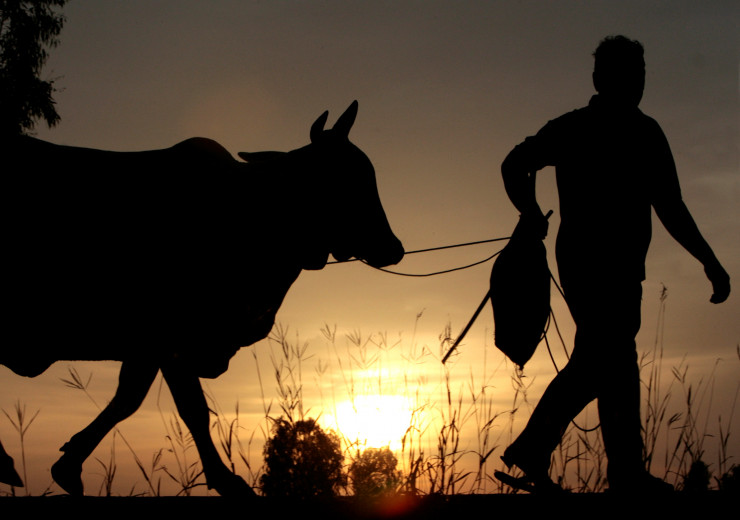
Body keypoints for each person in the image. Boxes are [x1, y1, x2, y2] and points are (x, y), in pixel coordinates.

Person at [499, 35, 730, 493]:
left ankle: (610, 469)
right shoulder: (610, 130)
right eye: (628, 75)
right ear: (601, 79)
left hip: (614, 266)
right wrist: (529, 211)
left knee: (607, 360)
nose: (636, 84)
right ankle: (603, 467)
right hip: (594, 265)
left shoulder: (611, 130)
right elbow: (514, 164)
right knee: (611, 356)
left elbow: (670, 205)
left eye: (640, 75)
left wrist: (709, 260)